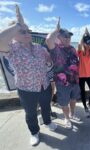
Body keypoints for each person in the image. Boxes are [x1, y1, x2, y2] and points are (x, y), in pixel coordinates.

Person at [0, 5, 57, 146]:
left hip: (44, 85)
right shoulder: (12, 49)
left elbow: (50, 59)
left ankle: (48, 121)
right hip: (26, 89)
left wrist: (52, 52)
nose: (26, 34)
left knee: (46, 107)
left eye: (27, 31)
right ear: (14, 35)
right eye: (22, 31)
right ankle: (34, 132)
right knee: (30, 113)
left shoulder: (38, 48)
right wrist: (18, 23)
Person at [46, 18, 81, 129]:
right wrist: (56, 30)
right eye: (65, 36)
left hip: (75, 81)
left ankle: (72, 114)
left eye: (69, 36)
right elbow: (48, 40)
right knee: (64, 102)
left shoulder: (72, 49)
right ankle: (66, 118)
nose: (68, 38)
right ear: (59, 37)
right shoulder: (55, 49)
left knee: (74, 99)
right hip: (62, 83)